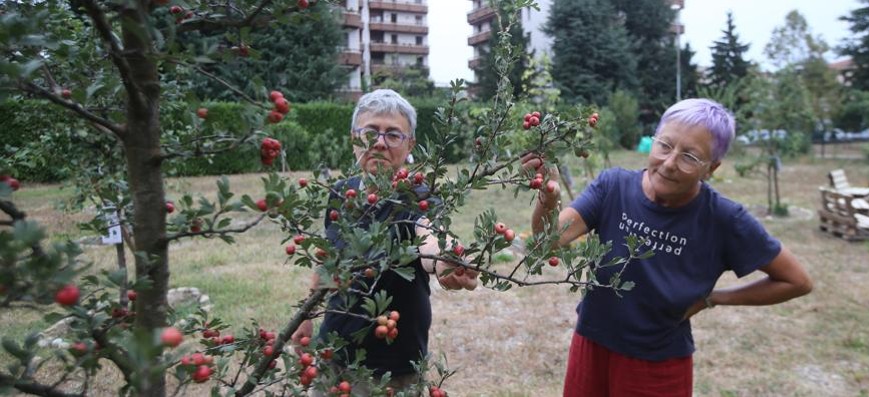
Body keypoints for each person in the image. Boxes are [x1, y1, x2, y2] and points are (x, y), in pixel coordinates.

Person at [523, 98, 813, 396]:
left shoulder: (723, 218)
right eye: (664, 145)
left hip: (657, 364)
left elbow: (796, 281)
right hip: (591, 345)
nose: (670, 163)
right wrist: (549, 197)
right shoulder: (613, 187)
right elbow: (548, 241)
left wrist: (714, 298)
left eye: (690, 156)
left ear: (711, 168)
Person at [292, 89, 478, 393]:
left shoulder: (420, 197)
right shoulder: (341, 192)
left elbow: (429, 234)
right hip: (333, 350)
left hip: (394, 366)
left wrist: (445, 257)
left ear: (410, 146)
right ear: (354, 138)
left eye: (393, 134)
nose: (379, 142)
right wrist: (307, 315)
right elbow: (329, 257)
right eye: (370, 132)